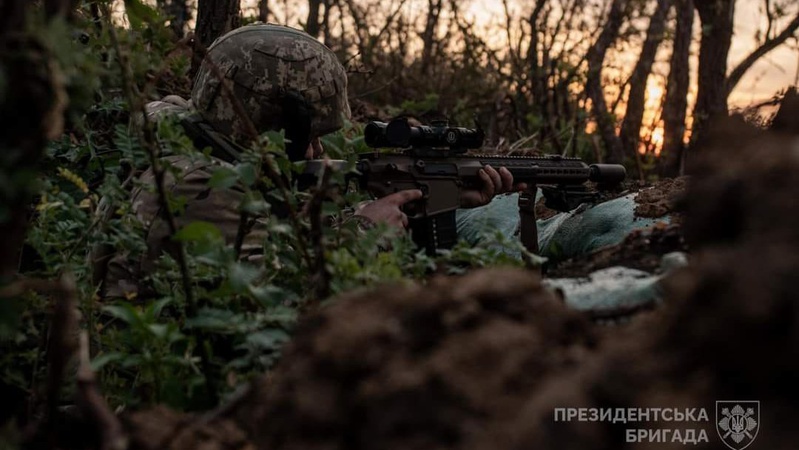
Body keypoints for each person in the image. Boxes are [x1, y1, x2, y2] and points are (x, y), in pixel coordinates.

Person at [94, 24, 519, 299]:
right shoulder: (194, 184)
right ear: (265, 125)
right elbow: (284, 288)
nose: (317, 153)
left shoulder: (191, 137)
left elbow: (267, 235)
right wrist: (361, 231)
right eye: (310, 138)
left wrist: (441, 194)